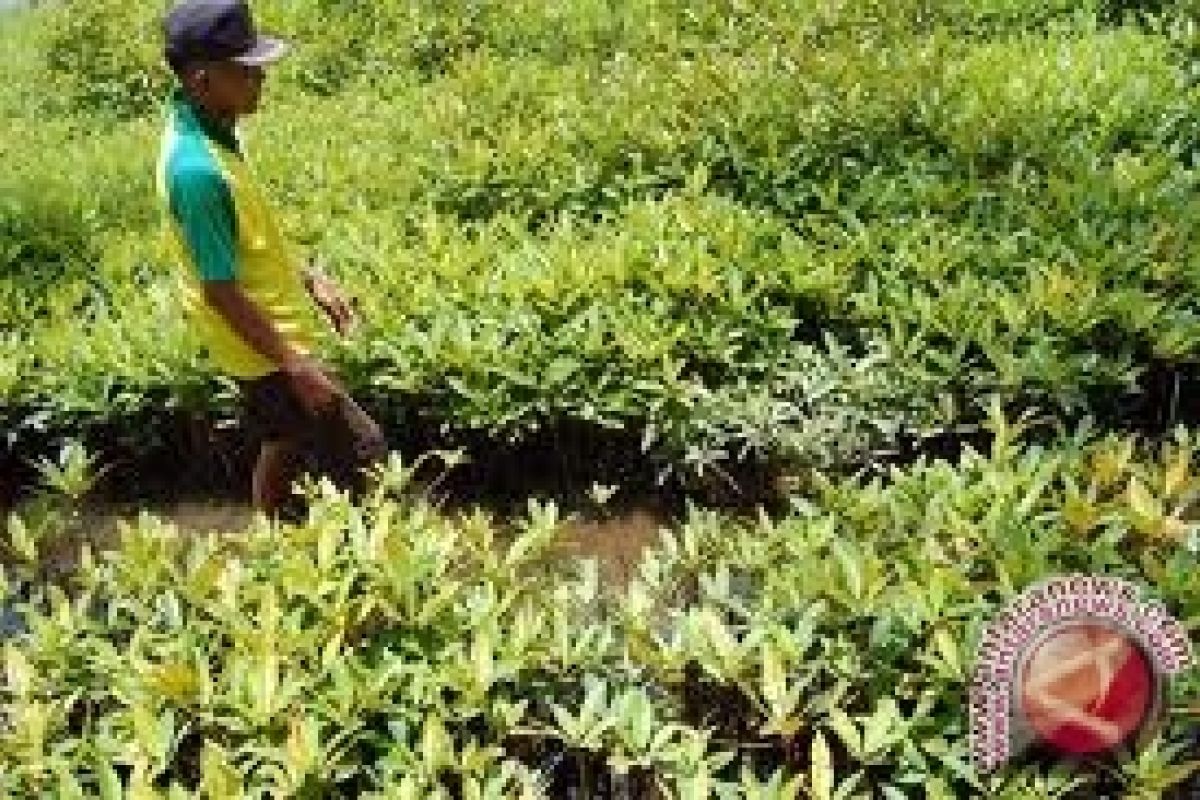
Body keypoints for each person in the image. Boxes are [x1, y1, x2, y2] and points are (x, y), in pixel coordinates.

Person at [157, 0, 386, 514]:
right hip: (262, 349)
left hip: (268, 336)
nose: (261, 78)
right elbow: (221, 288)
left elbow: (246, 237)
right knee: (365, 451)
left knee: (283, 437)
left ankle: (269, 540)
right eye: (246, 70)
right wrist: (296, 364)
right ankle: (365, 562)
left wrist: (309, 278)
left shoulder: (212, 126)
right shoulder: (197, 170)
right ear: (202, 80)